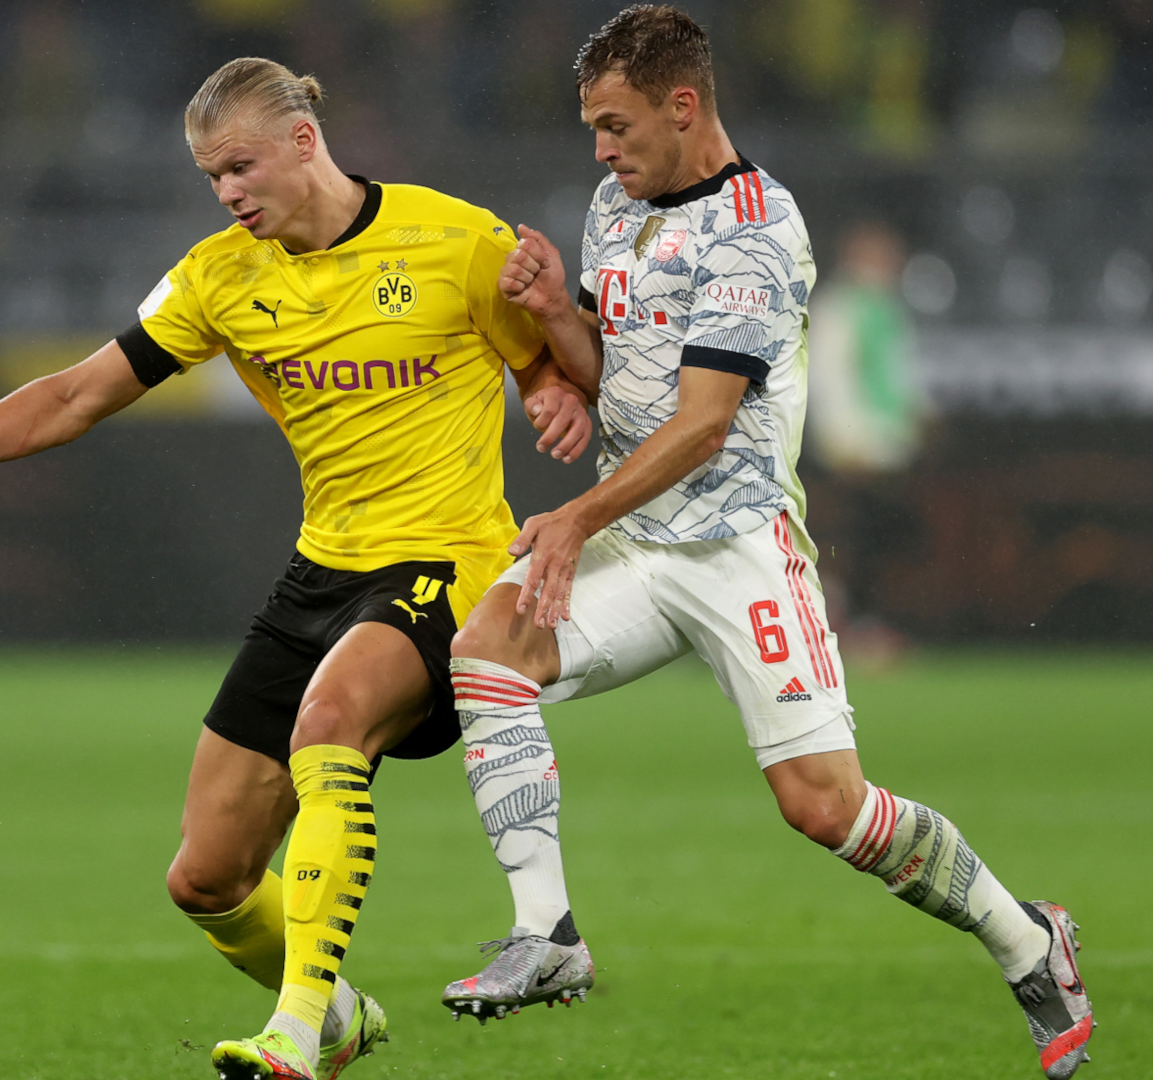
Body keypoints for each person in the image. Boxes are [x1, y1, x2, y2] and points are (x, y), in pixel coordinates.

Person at [0, 57, 592, 1080]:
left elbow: (554, 355)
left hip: (445, 565)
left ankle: (296, 1030)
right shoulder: (220, 276)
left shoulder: (455, 237)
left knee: (330, 727)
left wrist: (554, 386)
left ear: (304, 143)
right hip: (322, 572)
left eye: (239, 167)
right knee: (207, 878)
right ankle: (344, 1018)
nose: (228, 193)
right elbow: (76, 395)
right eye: (210, 177)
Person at [437, 8, 1094, 1079]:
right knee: (488, 649)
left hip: (740, 549)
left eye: (615, 125)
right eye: (593, 129)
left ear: (682, 107)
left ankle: (1027, 938)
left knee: (826, 809)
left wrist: (569, 518)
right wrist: (559, 318)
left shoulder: (758, 228)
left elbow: (702, 425)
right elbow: (622, 378)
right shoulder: (618, 205)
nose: (599, 151)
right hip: (637, 541)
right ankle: (547, 935)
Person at [803, 220, 926, 657]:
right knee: (844, 542)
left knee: (878, 544)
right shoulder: (840, 307)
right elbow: (828, 378)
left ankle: (861, 626)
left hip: (889, 449)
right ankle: (837, 629)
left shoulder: (887, 308)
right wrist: (843, 441)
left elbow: (896, 375)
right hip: (855, 451)